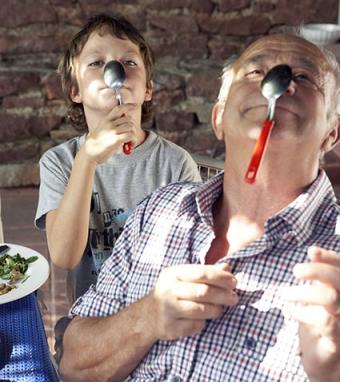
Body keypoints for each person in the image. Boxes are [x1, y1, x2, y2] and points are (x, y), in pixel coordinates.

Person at [60, 33, 340, 382]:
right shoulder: (156, 212)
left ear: (332, 132)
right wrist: (146, 318)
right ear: (219, 118)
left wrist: (329, 372)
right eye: (254, 72)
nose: (277, 82)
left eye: (303, 76)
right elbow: (72, 366)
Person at [34, 13, 201, 303]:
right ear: (75, 90)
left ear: (147, 89)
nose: (115, 69)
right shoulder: (58, 162)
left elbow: (192, 254)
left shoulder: (176, 163)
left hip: (158, 312)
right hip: (91, 317)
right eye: (97, 63)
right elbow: (64, 256)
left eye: (129, 62)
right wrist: (86, 160)